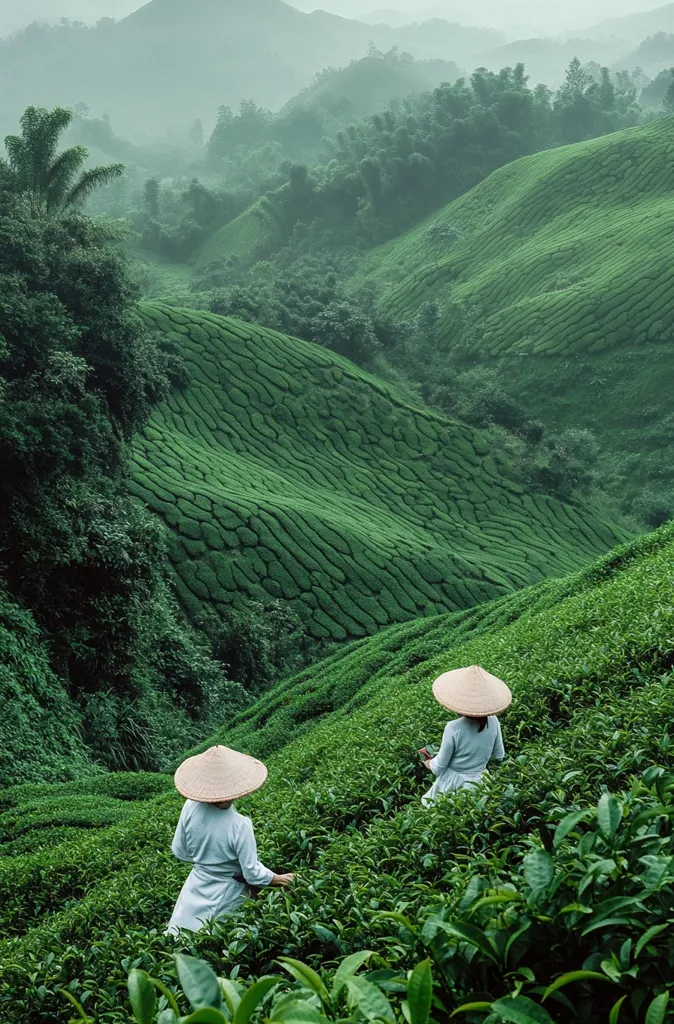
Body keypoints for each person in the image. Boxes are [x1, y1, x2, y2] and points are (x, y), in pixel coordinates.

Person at [166, 744, 293, 936]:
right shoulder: (240, 825)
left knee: (179, 935)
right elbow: (252, 874)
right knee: (215, 939)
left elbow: (179, 851)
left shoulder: (191, 805)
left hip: (195, 884)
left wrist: (206, 861)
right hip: (227, 892)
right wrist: (282, 879)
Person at [419, 664, 511, 807]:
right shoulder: (494, 721)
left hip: (454, 783)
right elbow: (499, 754)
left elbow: (439, 766)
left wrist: (428, 762)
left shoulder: (453, 727)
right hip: (481, 782)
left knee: (441, 812)